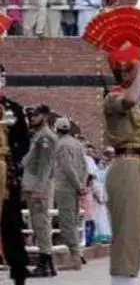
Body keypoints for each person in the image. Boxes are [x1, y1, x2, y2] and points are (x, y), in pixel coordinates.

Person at [81, 6, 140, 285]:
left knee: (137, 232)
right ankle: (121, 282)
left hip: (139, 166)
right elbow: (129, 102)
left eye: (134, 66)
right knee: (127, 232)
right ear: (121, 73)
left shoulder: (139, 105)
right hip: (126, 165)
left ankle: (127, 279)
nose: (132, 72)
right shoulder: (114, 98)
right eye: (127, 68)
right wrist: (139, 73)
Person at [0, 62, 30, 285]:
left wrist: (13, 157)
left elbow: (23, 142)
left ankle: (19, 272)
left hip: (6, 171)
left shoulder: (13, 109)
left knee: (11, 223)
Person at [21, 104, 57, 277]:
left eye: (35, 115)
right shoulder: (38, 135)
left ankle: (45, 264)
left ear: (44, 116)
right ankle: (48, 264)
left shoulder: (45, 137)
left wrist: (39, 188)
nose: (31, 118)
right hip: (34, 184)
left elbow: (45, 166)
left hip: (38, 186)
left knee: (40, 224)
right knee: (38, 224)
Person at [52, 116, 89, 269]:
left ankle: (75, 256)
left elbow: (67, 167)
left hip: (65, 186)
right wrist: (82, 184)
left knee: (66, 222)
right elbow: (85, 166)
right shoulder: (78, 144)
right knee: (73, 221)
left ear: (56, 129)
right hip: (76, 186)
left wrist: (78, 185)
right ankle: (78, 254)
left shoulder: (60, 144)